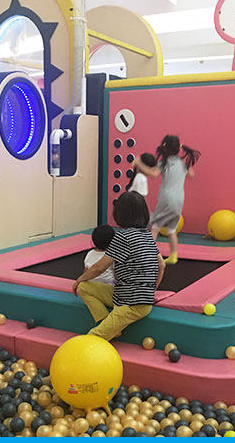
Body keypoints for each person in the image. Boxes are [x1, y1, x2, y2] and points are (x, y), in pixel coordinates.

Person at [73, 191, 165, 341]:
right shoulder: (147, 235)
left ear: (120, 214)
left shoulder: (122, 237)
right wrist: (151, 290)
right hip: (132, 298)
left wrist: (79, 279)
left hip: (130, 304)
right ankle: (107, 322)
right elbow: (162, 265)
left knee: (93, 337)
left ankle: (108, 327)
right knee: (84, 287)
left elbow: (99, 267)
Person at [134, 135, 201, 265]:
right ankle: (173, 255)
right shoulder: (182, 163)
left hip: (166, 198)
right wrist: (185, 166)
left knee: (155, 227)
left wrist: (139, 163)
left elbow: (153, 174)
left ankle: (147, 254)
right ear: (178, 148)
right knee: (171, 229)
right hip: (179, 199)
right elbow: (191, 175)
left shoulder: (164, 163)